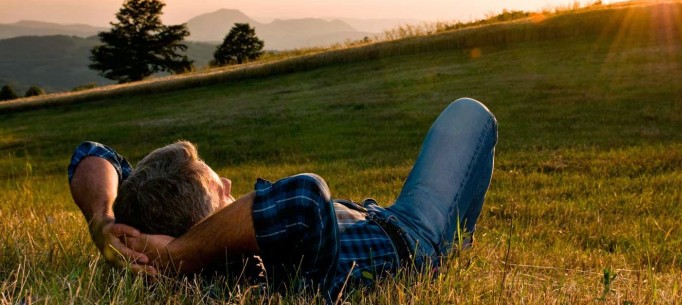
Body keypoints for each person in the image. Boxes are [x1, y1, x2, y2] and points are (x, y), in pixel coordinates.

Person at [69, 97, 498, 301]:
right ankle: (454, 241)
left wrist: (102, 220)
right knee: (469, 115)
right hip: (412, 235)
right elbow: (306, 196)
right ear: (207, 224)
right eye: (222, 190)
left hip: (367, 214)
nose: (233, 185)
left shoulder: (146, 217)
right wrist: (180, 254)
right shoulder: (265, 264)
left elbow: (91, 153)